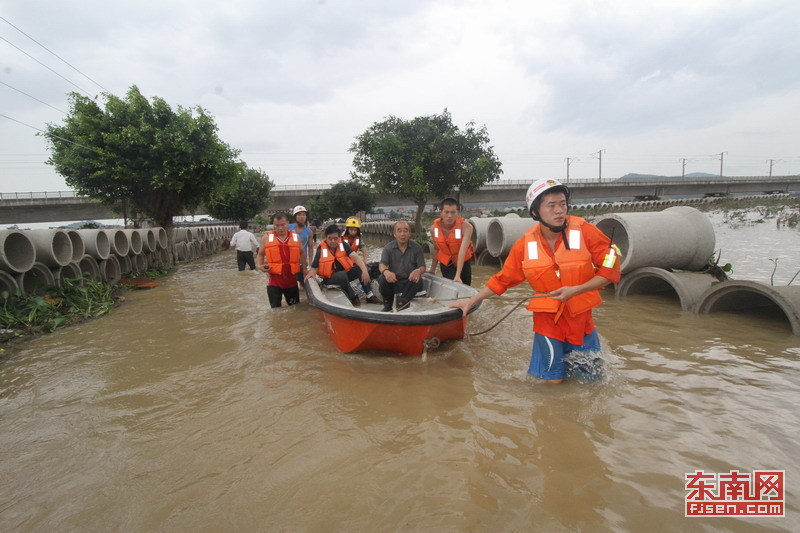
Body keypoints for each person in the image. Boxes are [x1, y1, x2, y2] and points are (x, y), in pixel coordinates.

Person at [451, 178, 621, 384]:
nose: (559, 211)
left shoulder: (586, 231)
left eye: (563, 204)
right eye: (551, 205)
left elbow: (610, 268)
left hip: (581, 320)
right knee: (553, 382)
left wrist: (577, 289)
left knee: (592, 382)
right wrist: (471, 301)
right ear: (535, 212)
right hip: (547, 321)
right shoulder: (525, 245)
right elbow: (502, 279)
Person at [306, 224, 380, 306]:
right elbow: (314, 268)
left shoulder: (343, 244)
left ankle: (369, 294)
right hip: (330, 279)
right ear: (326, 238)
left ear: (339, 238)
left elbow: (356, 257)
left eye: (335, 238)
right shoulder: (321, 250)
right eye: (330, 238)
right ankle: (353, 296)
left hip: (344, 276)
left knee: (359, 268)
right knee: (342, 274)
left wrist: (365, 270)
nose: (333, 241)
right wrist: (309, 275)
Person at [257, 213, 307, 308]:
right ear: (273, 225)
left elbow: (302, 253)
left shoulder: (296, 238)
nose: (280, 228)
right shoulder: (266, 238)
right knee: (275, 310)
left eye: (283, 225)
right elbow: (260, 254)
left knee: (295, 308)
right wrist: (260, 266)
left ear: (288, 223)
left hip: (291, 281)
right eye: (277, 225)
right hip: (273, 282)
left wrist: (304, 269)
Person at [378, 220, 427, 312]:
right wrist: (386, 272)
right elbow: (382, 265)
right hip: (395, 281)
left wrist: (418, 271)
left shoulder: (417, 248)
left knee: (418, 278)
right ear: (394, 234)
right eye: (399, 231)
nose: (402, 234)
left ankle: (402, 302)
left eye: (405, 231)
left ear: (409, 234)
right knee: (382, 277)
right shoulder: (388, 248)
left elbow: (423, 267)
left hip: (409, 282)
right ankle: (387, 304)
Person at [429, 198, 475, 285]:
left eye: (453, 212)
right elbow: (436, 249)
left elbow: (463, 251)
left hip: (463, 262)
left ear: (457, 212)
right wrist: (432, 269)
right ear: (441, 212)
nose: (449, 216)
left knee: (466, 286)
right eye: (446, 212)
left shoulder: (467, 227)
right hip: (446, 263)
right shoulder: (433, 229)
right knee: (451, 285)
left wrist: (458, 275)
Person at [289, 205, 314, 285]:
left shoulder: (309, 231)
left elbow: (310, 248)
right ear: (295, 217)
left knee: (302, 283)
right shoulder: (289, 228)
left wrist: (310, 264)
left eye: (304, 214)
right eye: (299, 215)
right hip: (290, 261)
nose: (302, 217)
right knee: (290, 284)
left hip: (302, 262)